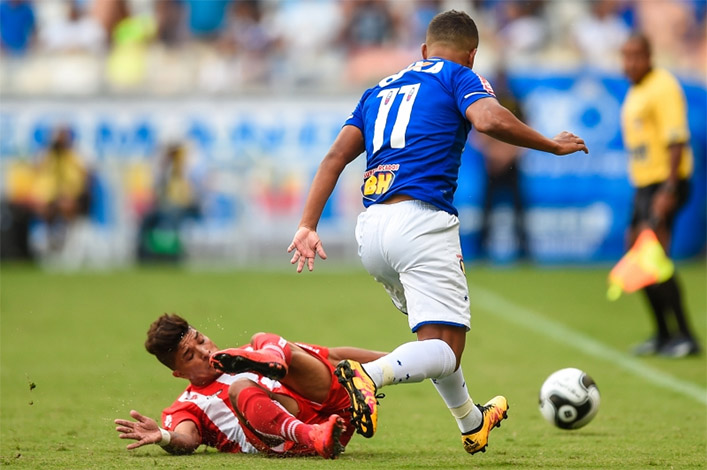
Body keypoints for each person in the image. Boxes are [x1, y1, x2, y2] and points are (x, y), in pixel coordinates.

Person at [288, 9, 587, 456]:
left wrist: (307, 224)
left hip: (371, 231)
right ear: (472, 54)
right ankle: (366, 377)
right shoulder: (459, 76)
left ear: (423, 50)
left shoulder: (379, 89)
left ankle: (471, 421)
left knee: (436, 340)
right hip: (422, 224)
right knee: (446, 350)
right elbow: (488, 120)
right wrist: (551, 143)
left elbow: (335, 156)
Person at [114, 314, 386, 459]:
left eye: (200, 339)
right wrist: (163, 436)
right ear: (179, 373)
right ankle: (312, 434)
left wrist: (401, 360)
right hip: (291, 441)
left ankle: (278, 362)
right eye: (190, 356)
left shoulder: (249, 352)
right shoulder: (188, 404)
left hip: (335, 408)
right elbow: (188, 439)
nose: (203, 350)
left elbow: (332, 356)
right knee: (241, 386)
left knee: (264, 339)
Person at [619, 34, 700, 358]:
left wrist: (668, 189)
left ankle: (685, 336)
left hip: (667, 182)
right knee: (638, 256)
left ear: (650, 56)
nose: (630, 64)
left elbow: (676, 139)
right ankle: (663, 334)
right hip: (644, 185)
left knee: (653, 256)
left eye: (636, 56)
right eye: (625, 57)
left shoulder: (663, 86)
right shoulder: (637, 90)